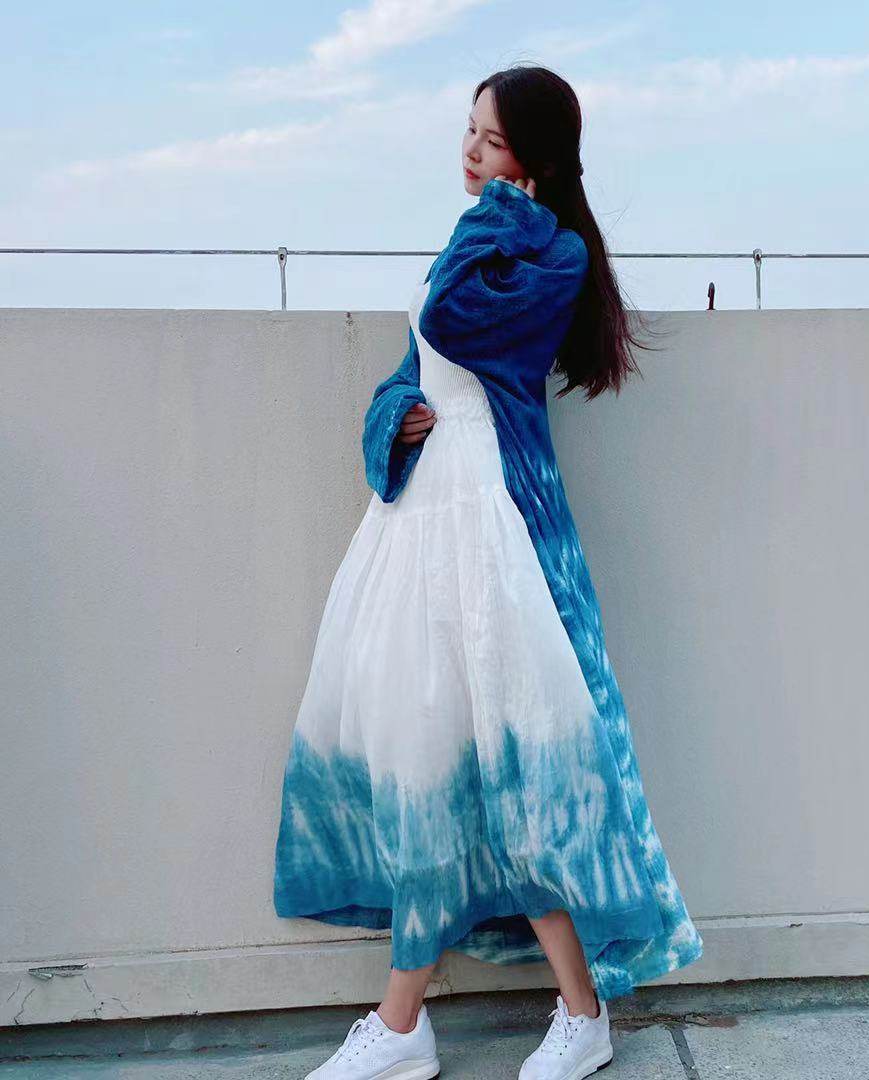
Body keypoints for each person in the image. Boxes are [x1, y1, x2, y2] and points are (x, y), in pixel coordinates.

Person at [273, 63, 703, 1080]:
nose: (470, 151)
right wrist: (395, 419)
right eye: (468, 130)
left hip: (497, 532)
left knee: (521, 783)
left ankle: (546, 1016)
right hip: (424, 526)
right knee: (432, 765)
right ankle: (415, 1024)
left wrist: (498, 217)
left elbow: (459, 324)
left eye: (493, 140)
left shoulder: (550, 254)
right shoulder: (486, 239)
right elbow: (413, 367)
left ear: (537, 162)